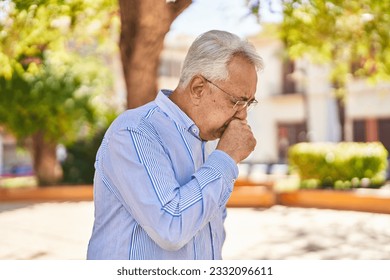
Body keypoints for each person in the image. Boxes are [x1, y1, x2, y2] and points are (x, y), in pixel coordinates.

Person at [87, 30, 263, 260]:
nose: (242, 116)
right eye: (236, 101)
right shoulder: (135, 131)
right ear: (198, 88)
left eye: (249, 103)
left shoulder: (210, 142)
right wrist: (226, 158)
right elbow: (171, 227)